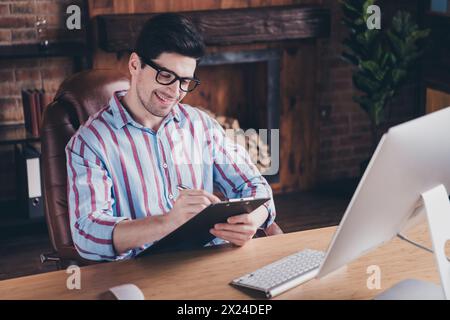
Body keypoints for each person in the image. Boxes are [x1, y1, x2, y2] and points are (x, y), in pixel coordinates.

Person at [66, 13, 276, 261]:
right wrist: (166, 223)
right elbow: (87, 234)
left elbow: (257, 187)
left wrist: (253, 220)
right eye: (165, 76)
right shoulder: (89, 143)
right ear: (135, 65)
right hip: (140, 277)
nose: (175, 92)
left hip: (208, 262)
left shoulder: (201, 125)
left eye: (185, 81)